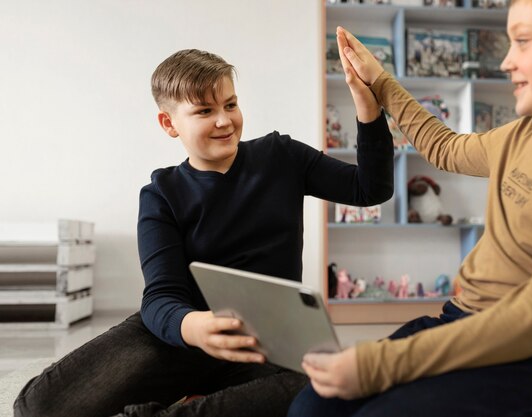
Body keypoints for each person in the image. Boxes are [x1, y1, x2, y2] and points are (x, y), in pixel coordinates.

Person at [13, 48, 394, 417]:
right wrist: (194, 326)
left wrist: (367, 105)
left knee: (321, 386)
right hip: (179, 334)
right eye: (205, 111)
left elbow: (369, 188)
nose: (225, 121)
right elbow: (161, 295)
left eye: (230, 104)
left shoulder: (282, 156)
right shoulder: (161, 194)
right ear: (169, 124)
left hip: (264, 341)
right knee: (37, 407)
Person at [288, 1, 532, 416]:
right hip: (469, 320)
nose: (505, 61)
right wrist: (378, 83)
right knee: (312, 407)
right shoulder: (522, 134)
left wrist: (376, 364)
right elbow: (445, 147)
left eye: (522, 41)